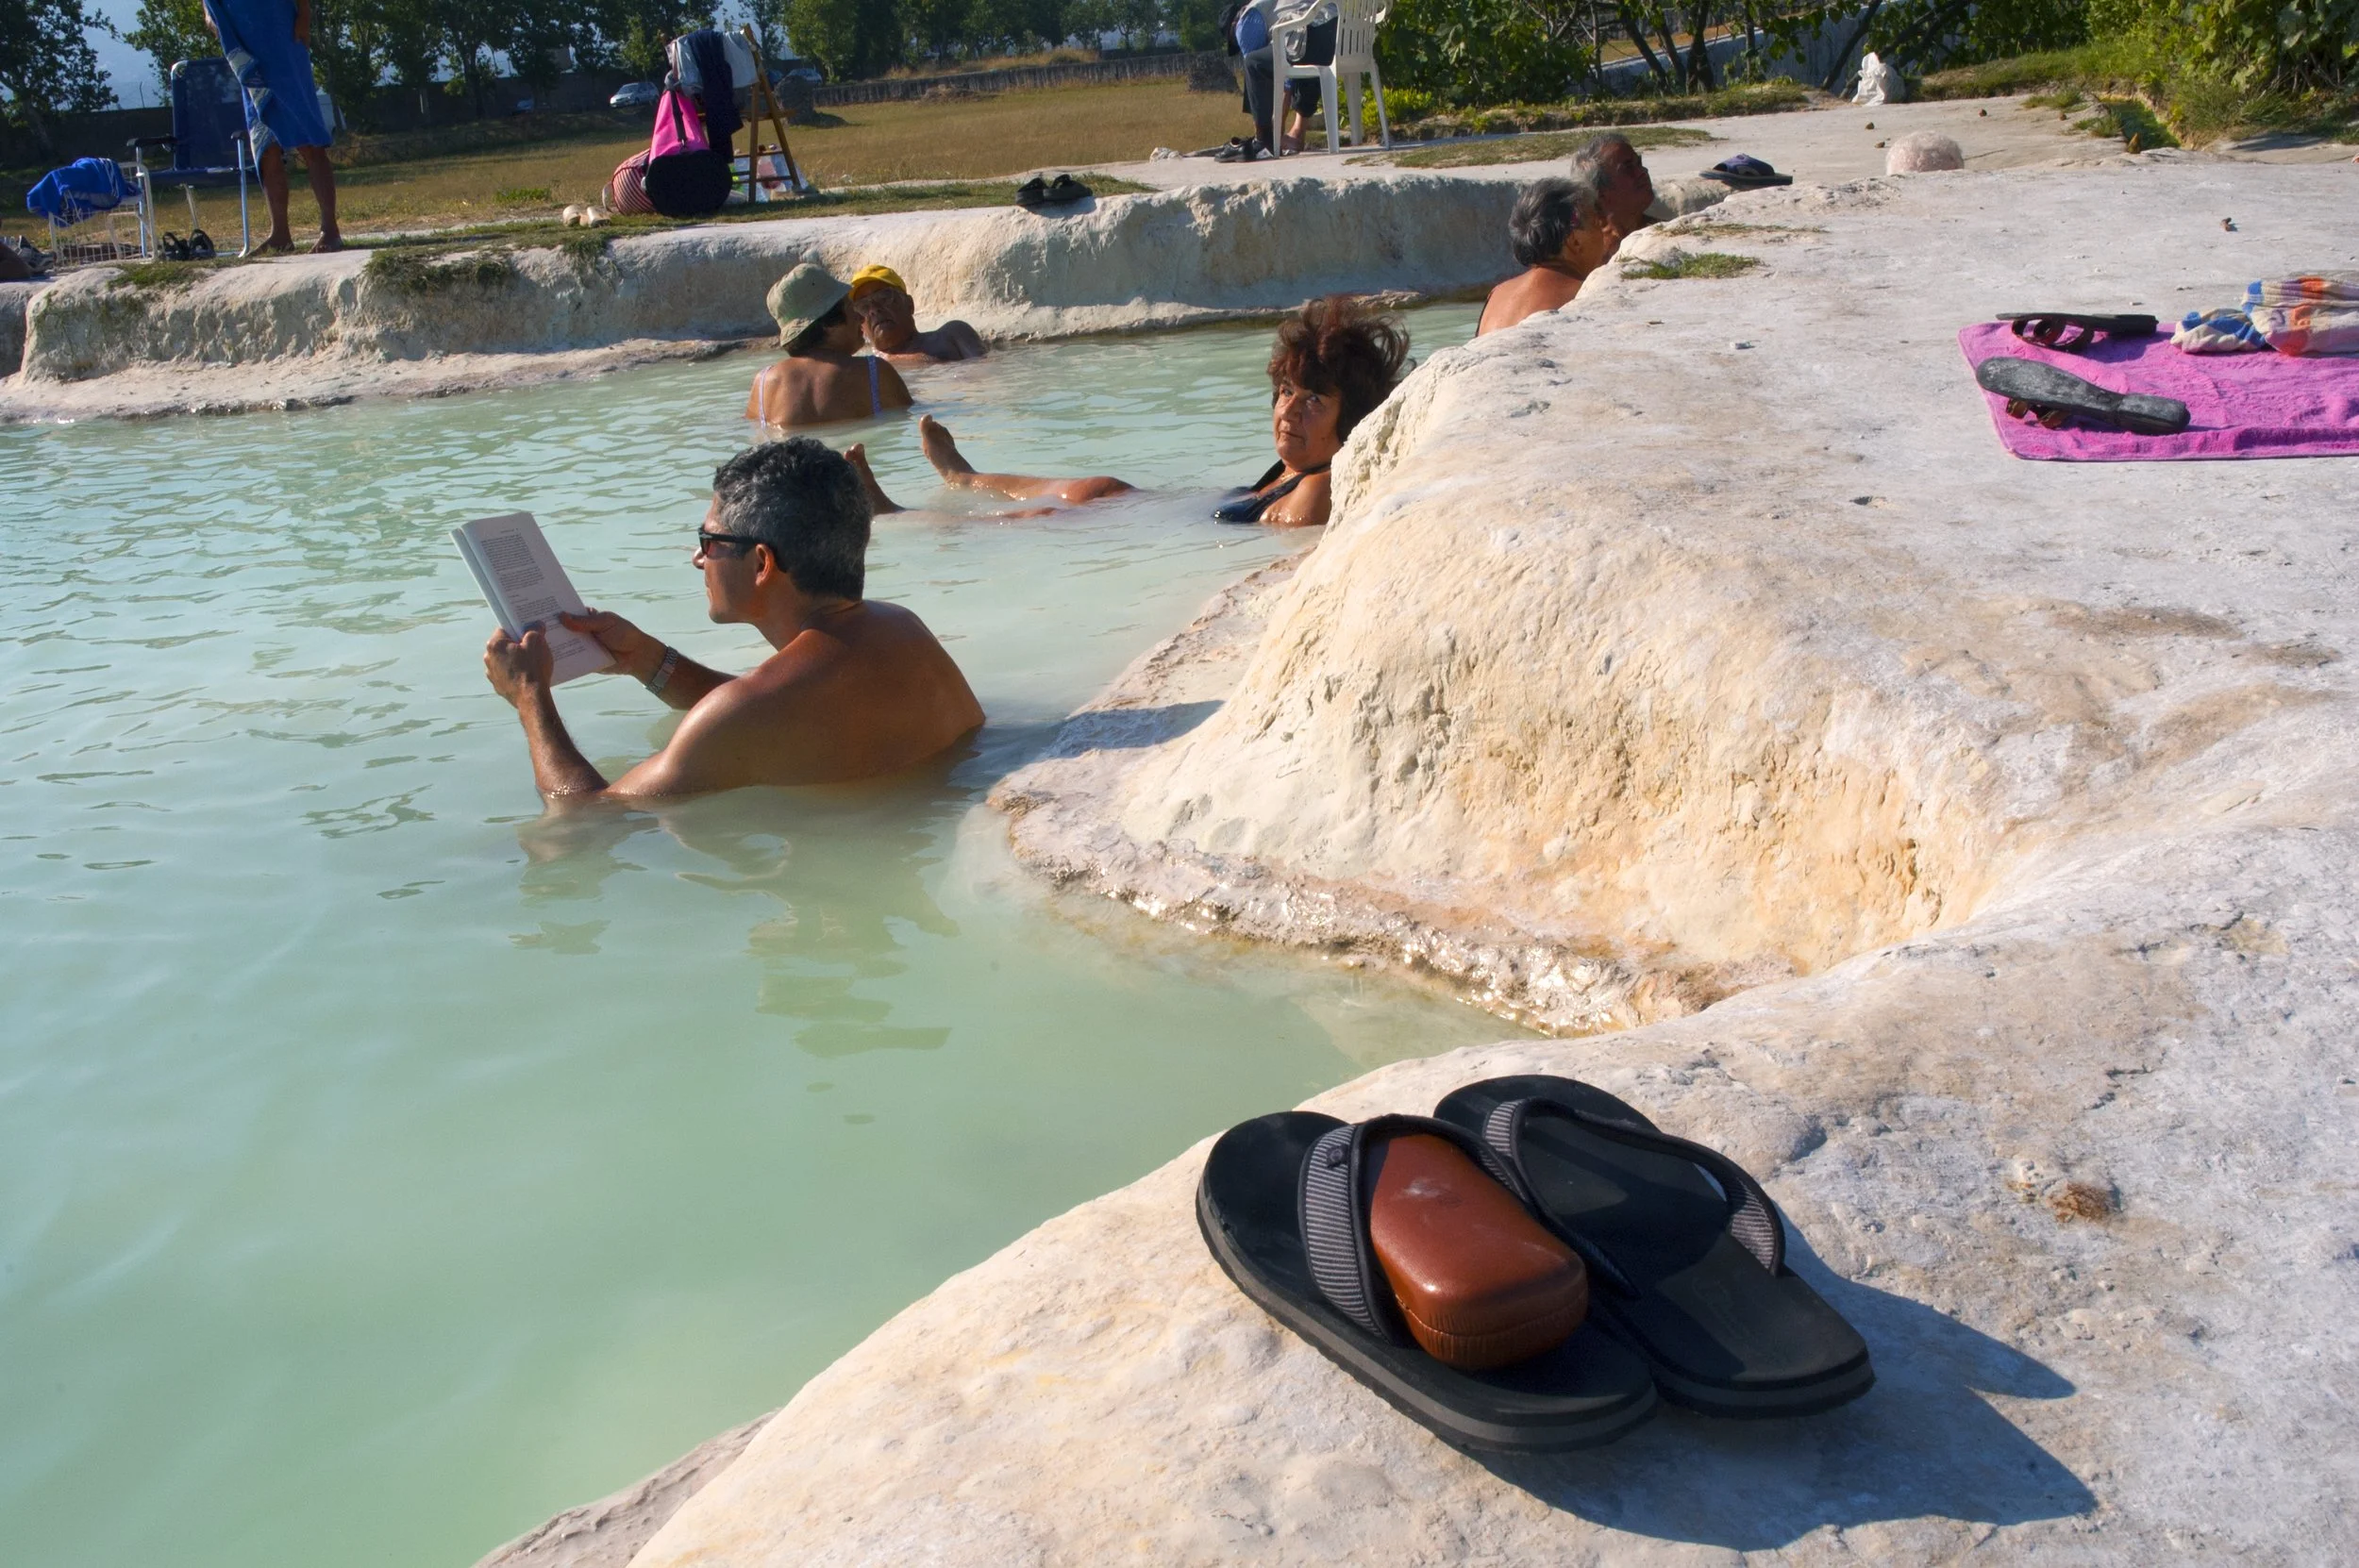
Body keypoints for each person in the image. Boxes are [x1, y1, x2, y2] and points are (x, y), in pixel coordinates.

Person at [480, 440, 983, 800]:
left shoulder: (752, 709)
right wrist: (648, 659)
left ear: (762, 563)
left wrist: (530, 697)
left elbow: (586, 824)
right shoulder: (901, 628)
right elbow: (768, 716)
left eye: (709, 543)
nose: (698, 561)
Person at [905, 294, 1408, 530]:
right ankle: (964, 479)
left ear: (1354, 418)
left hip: (1162, 530)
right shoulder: (1298, 468)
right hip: (1174, 509)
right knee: (1095, 488)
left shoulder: (1315, 489)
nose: (1288, 411)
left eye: (1313, 400)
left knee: (1043, 513)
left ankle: (910, 519)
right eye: (1285, 392)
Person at [200, 0, 341, 253]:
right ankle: (280, 234)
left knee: (310, 141)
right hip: (249, 56)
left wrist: (304, 17)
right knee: (266, 148)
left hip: (283, 41)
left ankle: (330, 230)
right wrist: (215, 22)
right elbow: (209, 10)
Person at [747, 260, 914, 427]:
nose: (861, 318)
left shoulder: (762, 384)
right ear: (829, 322)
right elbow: (906, 422)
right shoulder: (872, 372)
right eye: (851, 309)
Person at [1478, 173, 1621, 337]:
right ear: (1574, 241)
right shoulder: (1586, 294)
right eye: (1597, 224)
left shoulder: (1497, 293)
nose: (1603, 233)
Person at [847, 265, 988, 363]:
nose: (874, 310)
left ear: (909, 305)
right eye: (863, 306)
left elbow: (987, 377)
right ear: (860, 324)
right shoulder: (868, 371)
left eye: (884, 298)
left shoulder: (951, 335)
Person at [1573, 132, 1657, 239]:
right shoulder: (1585, 250)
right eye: (1628, 168)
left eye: (1639, 163)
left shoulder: (1664, 236)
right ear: (1600, 193)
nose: (1643, 171)